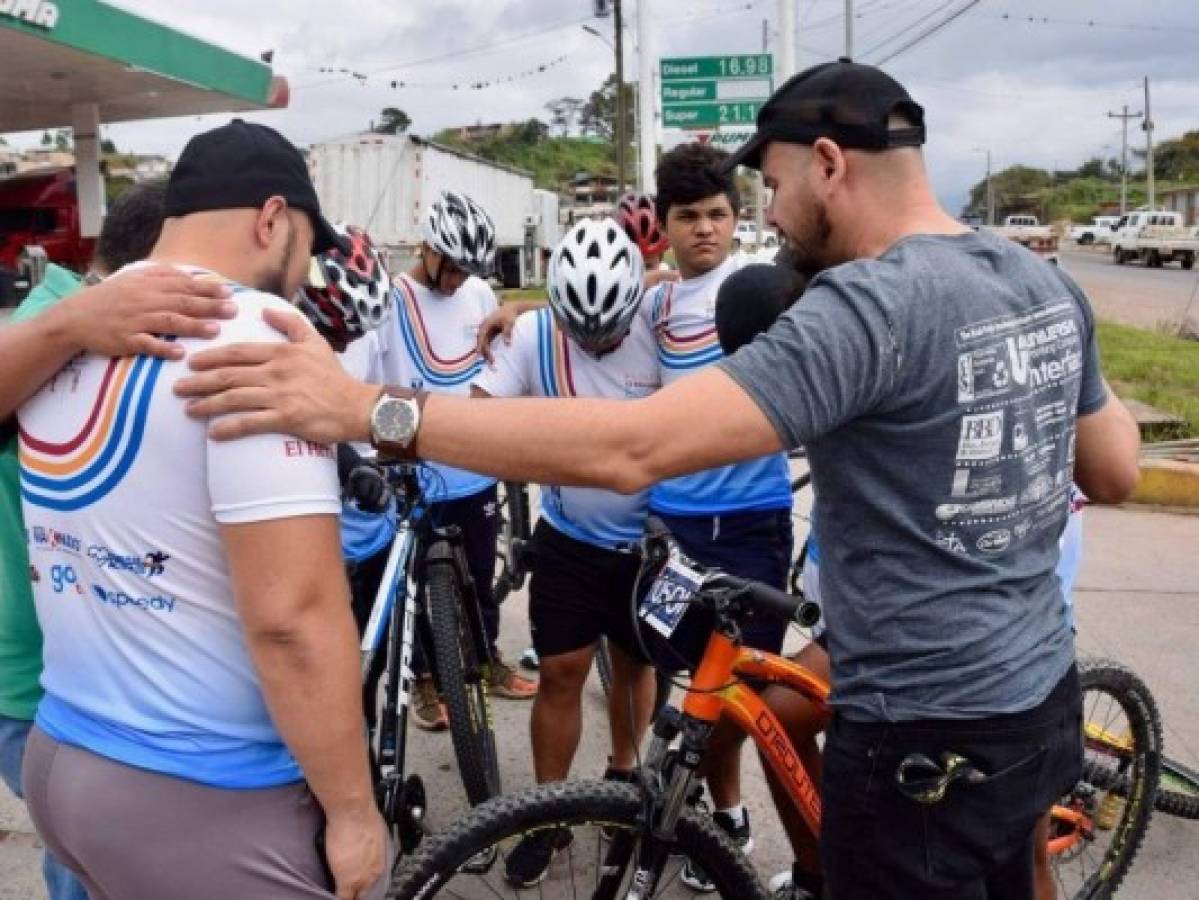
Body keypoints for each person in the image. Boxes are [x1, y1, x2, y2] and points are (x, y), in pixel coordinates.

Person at [174, 60, 1142, 899]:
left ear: (828, 166)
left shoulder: (866, 308)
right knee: (1017, 869)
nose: (765, 214)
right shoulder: (1035, 278)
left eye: (767, 185)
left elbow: (634, 448)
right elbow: (1112, 468)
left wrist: (361, 411)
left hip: (913, 730)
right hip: (1034, 687)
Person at [18, 120, 389, 900]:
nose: (303, 275)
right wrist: (354, 813)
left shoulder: (72, 328)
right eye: (305, 247)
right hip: (198, 788)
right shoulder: (252, 339)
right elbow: (292, 617)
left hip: (62, 753)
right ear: (271, 219)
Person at [0, 180, 237, 900]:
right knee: (98, 865)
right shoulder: (64, 323)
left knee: (83, 855)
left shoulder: (100, 327)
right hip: (47, 684)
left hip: (83, 681)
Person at [472, 219, 660, 887]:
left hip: (646, 541)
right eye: (584, 333)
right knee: (559, 672)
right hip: (570, 537)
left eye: (610, 331)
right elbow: (478, 415)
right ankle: (546, 815)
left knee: (635, 665)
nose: (599, 344)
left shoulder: (655, 317)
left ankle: (622, 775)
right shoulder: (532, 333)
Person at [641, 143, 796, 891]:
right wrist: (508, 319)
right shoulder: (658, 302)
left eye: (716, 214)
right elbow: (585, 320)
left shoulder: (761, 289)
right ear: (662, 227)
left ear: (736, 219)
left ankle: (724, 817)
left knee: (739, 696)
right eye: (686, 217)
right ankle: (699, 808)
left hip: (750, 523)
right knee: (682, 679)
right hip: (672, 526)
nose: (703, 229)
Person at [362, 190, 536, 732]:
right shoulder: (390, 300)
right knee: (414, 588)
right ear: (428, 250)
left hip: (473, 472)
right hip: (412, 475)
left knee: (478, 581)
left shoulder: (480, 292)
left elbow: (498, 364)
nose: (460, 279)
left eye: (469, 269)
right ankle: (422, 681)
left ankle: (486, 664)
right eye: (453, 266)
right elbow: (373, 388)